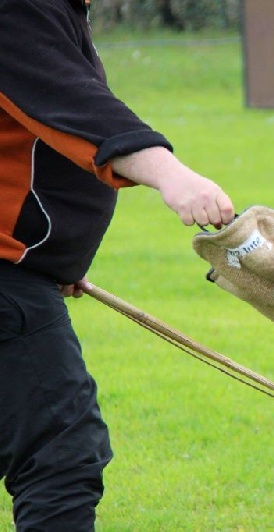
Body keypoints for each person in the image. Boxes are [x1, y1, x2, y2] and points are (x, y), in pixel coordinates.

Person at [0, 0, 236, 529]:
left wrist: (49, 255)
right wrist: (173, 175)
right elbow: (73, 106)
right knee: (59, 458)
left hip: (18, 271)